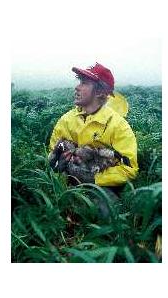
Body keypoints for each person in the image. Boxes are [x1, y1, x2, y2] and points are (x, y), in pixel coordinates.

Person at [49, 62, 138, 197]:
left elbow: (129, 169)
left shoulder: (119, 127)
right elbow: (51, 152)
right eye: (79, 81)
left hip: (102, 189)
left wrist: (94, 179)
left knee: (105, 209)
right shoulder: (66, 120)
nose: (77, 87)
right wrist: (55, 163)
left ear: (100, 92)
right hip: (66, 185)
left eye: (84, 83)